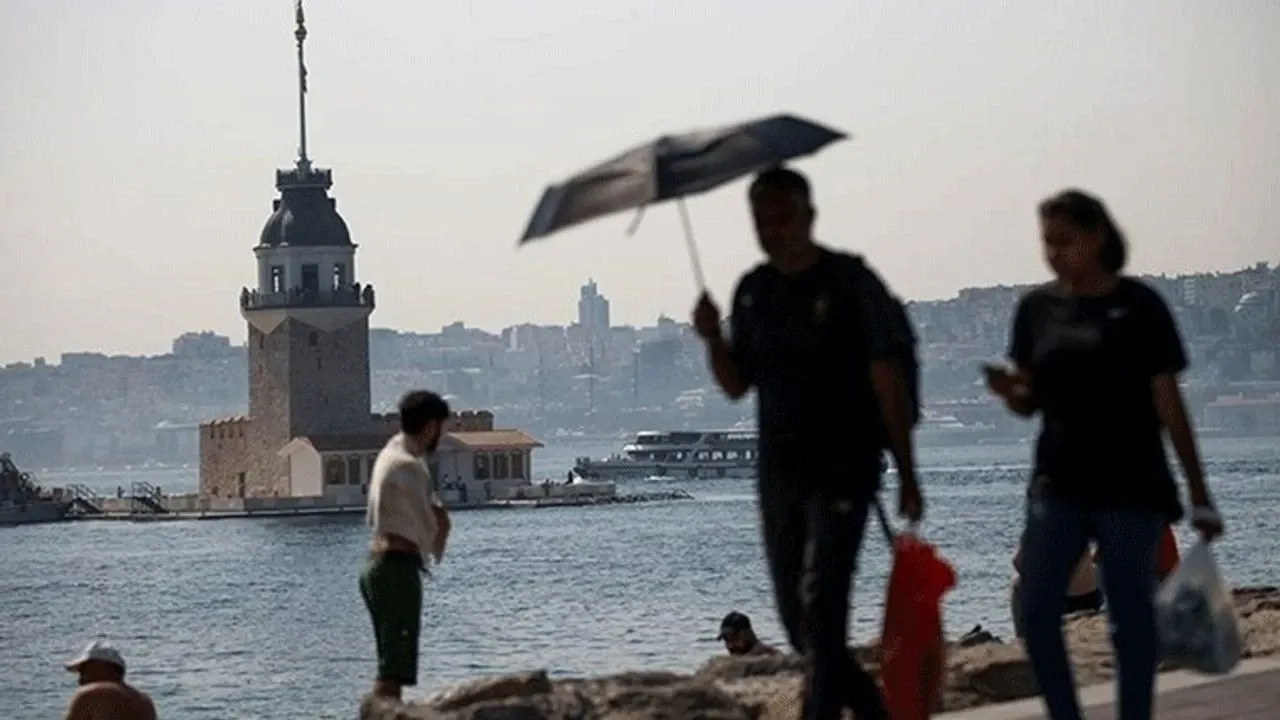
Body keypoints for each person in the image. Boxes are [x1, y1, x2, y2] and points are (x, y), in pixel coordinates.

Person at [692, 166, 923, 720]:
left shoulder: (849, 281)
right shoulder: (754, 291)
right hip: (780, 472)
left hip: (846, 464)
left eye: (781, 216)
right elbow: (734, 384)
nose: (772, 229)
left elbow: (886, 377)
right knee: (800, 625)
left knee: (823, 607)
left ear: (808, 215)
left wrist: (907, 469)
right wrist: (711, 338)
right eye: (760, 218)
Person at [984, 189, 1224, 720]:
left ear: (1097, 237)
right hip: (1059, 481)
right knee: (1038, 605)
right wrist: (1010, 393)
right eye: (1047, 244)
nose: (1054, 254)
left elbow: (1169, 403)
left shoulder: (1139, 307)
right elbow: (1031, 401)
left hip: (1130, 484)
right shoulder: (1036, 309)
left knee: (1131, 618)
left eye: (1065, 241)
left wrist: (1199, 492)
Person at [361, 390, 453, 701]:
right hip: (396, 568)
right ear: (430, 427)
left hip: (378, 566)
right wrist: (439, 532)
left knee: (390, 663)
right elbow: (428, 522)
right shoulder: (408, 466)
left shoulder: (391, 452)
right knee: (393, 671)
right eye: (441, 426)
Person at [1010, 542, 1102, 639]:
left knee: (1018, 582)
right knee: (1095, 569)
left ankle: (1022, 638)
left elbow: (1018, 562)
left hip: (1062, 602)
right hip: (1091, 597)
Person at [62, 639, 156, 720]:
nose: (80, 679)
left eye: (83, 670)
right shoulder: (145, 702)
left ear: (100, 667)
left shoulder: (90, 694)